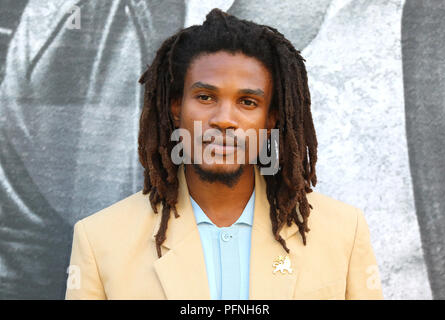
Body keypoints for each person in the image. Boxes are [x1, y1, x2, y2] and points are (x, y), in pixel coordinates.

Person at [65, 8, 383, 300]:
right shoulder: (100, 240)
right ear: (176, 108)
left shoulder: (342, 231)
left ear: (270, 118)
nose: (224, 119)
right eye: (205, 97)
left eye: (247, 102)